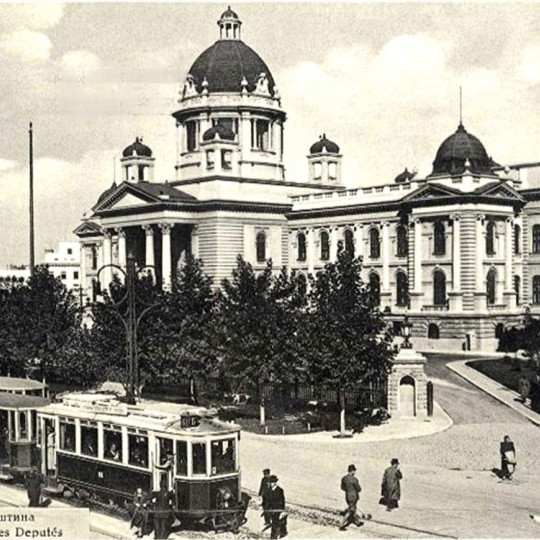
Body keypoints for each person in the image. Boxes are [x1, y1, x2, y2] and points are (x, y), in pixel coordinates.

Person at [339, 464, 370, 531]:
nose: (355, 472)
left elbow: (342, 487)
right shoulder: (354, 480)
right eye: (354, 471)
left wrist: (348, 490)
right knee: (350, 511)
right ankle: (341, 525)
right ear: (352, 471)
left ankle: (357, 522)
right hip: (353, 496)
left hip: (347, 495)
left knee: (353, 509)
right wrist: (353, 491)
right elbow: (359, 489)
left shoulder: (344, 478)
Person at [264, 475, 286, 539]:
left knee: (275, 524)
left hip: (277, 510)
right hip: (271, 510)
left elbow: (282, 501)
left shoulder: (280, 490)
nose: (270, 484)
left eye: (271, 482)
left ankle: (274, 537)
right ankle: (276, 535)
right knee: (274, 523)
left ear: (275, 482)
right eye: (270, 482)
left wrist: (282, 510)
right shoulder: (269, 490)